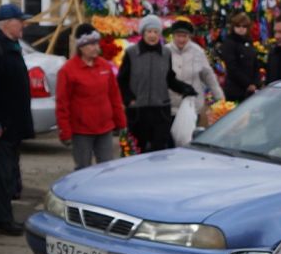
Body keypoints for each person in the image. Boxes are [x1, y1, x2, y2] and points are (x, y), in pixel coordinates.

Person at [0, 3, 35, 235]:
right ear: (7, 24)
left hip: (14, 124)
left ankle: (4, 215)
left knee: (9, 172)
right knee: (0, 174)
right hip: (1, 126)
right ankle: (1, 219)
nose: (24, 25)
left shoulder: (12, 46)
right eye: (20, 21)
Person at [118, 15, 191, 154]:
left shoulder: (166, 53)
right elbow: (122, 80)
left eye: (156, 32)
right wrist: (129, 99)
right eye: (149, 32)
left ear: (160, 34)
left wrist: (184, 88)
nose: (152, 35)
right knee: (137, 152)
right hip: (138, 112)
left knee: (159, 153)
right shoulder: (131, 53)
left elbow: (169, 78)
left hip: (160, 111)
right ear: (143, 33)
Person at [56, 23, 126, 168]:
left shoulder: (105, 66)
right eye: (91, 44)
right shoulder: (68, 70)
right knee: (83, 170)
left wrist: (121, 123)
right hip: (81, 131)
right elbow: (62, 104)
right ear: (81, 47)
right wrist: (65, 131)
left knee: (107, 170)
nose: (96, 48)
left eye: (97, 43)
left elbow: (114, 97)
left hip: (105, 129)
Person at [167, 20, 223, 145]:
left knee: (189, 141)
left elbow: (208, 75)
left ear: (189, 37)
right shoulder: (165, 51)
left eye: (185, 36)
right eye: (178, 36)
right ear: (173, 36)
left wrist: (219, 97)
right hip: (170, 106)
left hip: (192, 107)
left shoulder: (198, 52)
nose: (181, 39)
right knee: (171, 142)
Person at [218, 12, 261, 102]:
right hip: (235, 90)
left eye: (244, 26)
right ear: (233, 27)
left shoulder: (249, 42)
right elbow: (232, 67)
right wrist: (248, 84)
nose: (241, 29)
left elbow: (255, 64)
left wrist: (256, 83)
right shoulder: (229, 43)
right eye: (238, 26)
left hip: (251, 90)